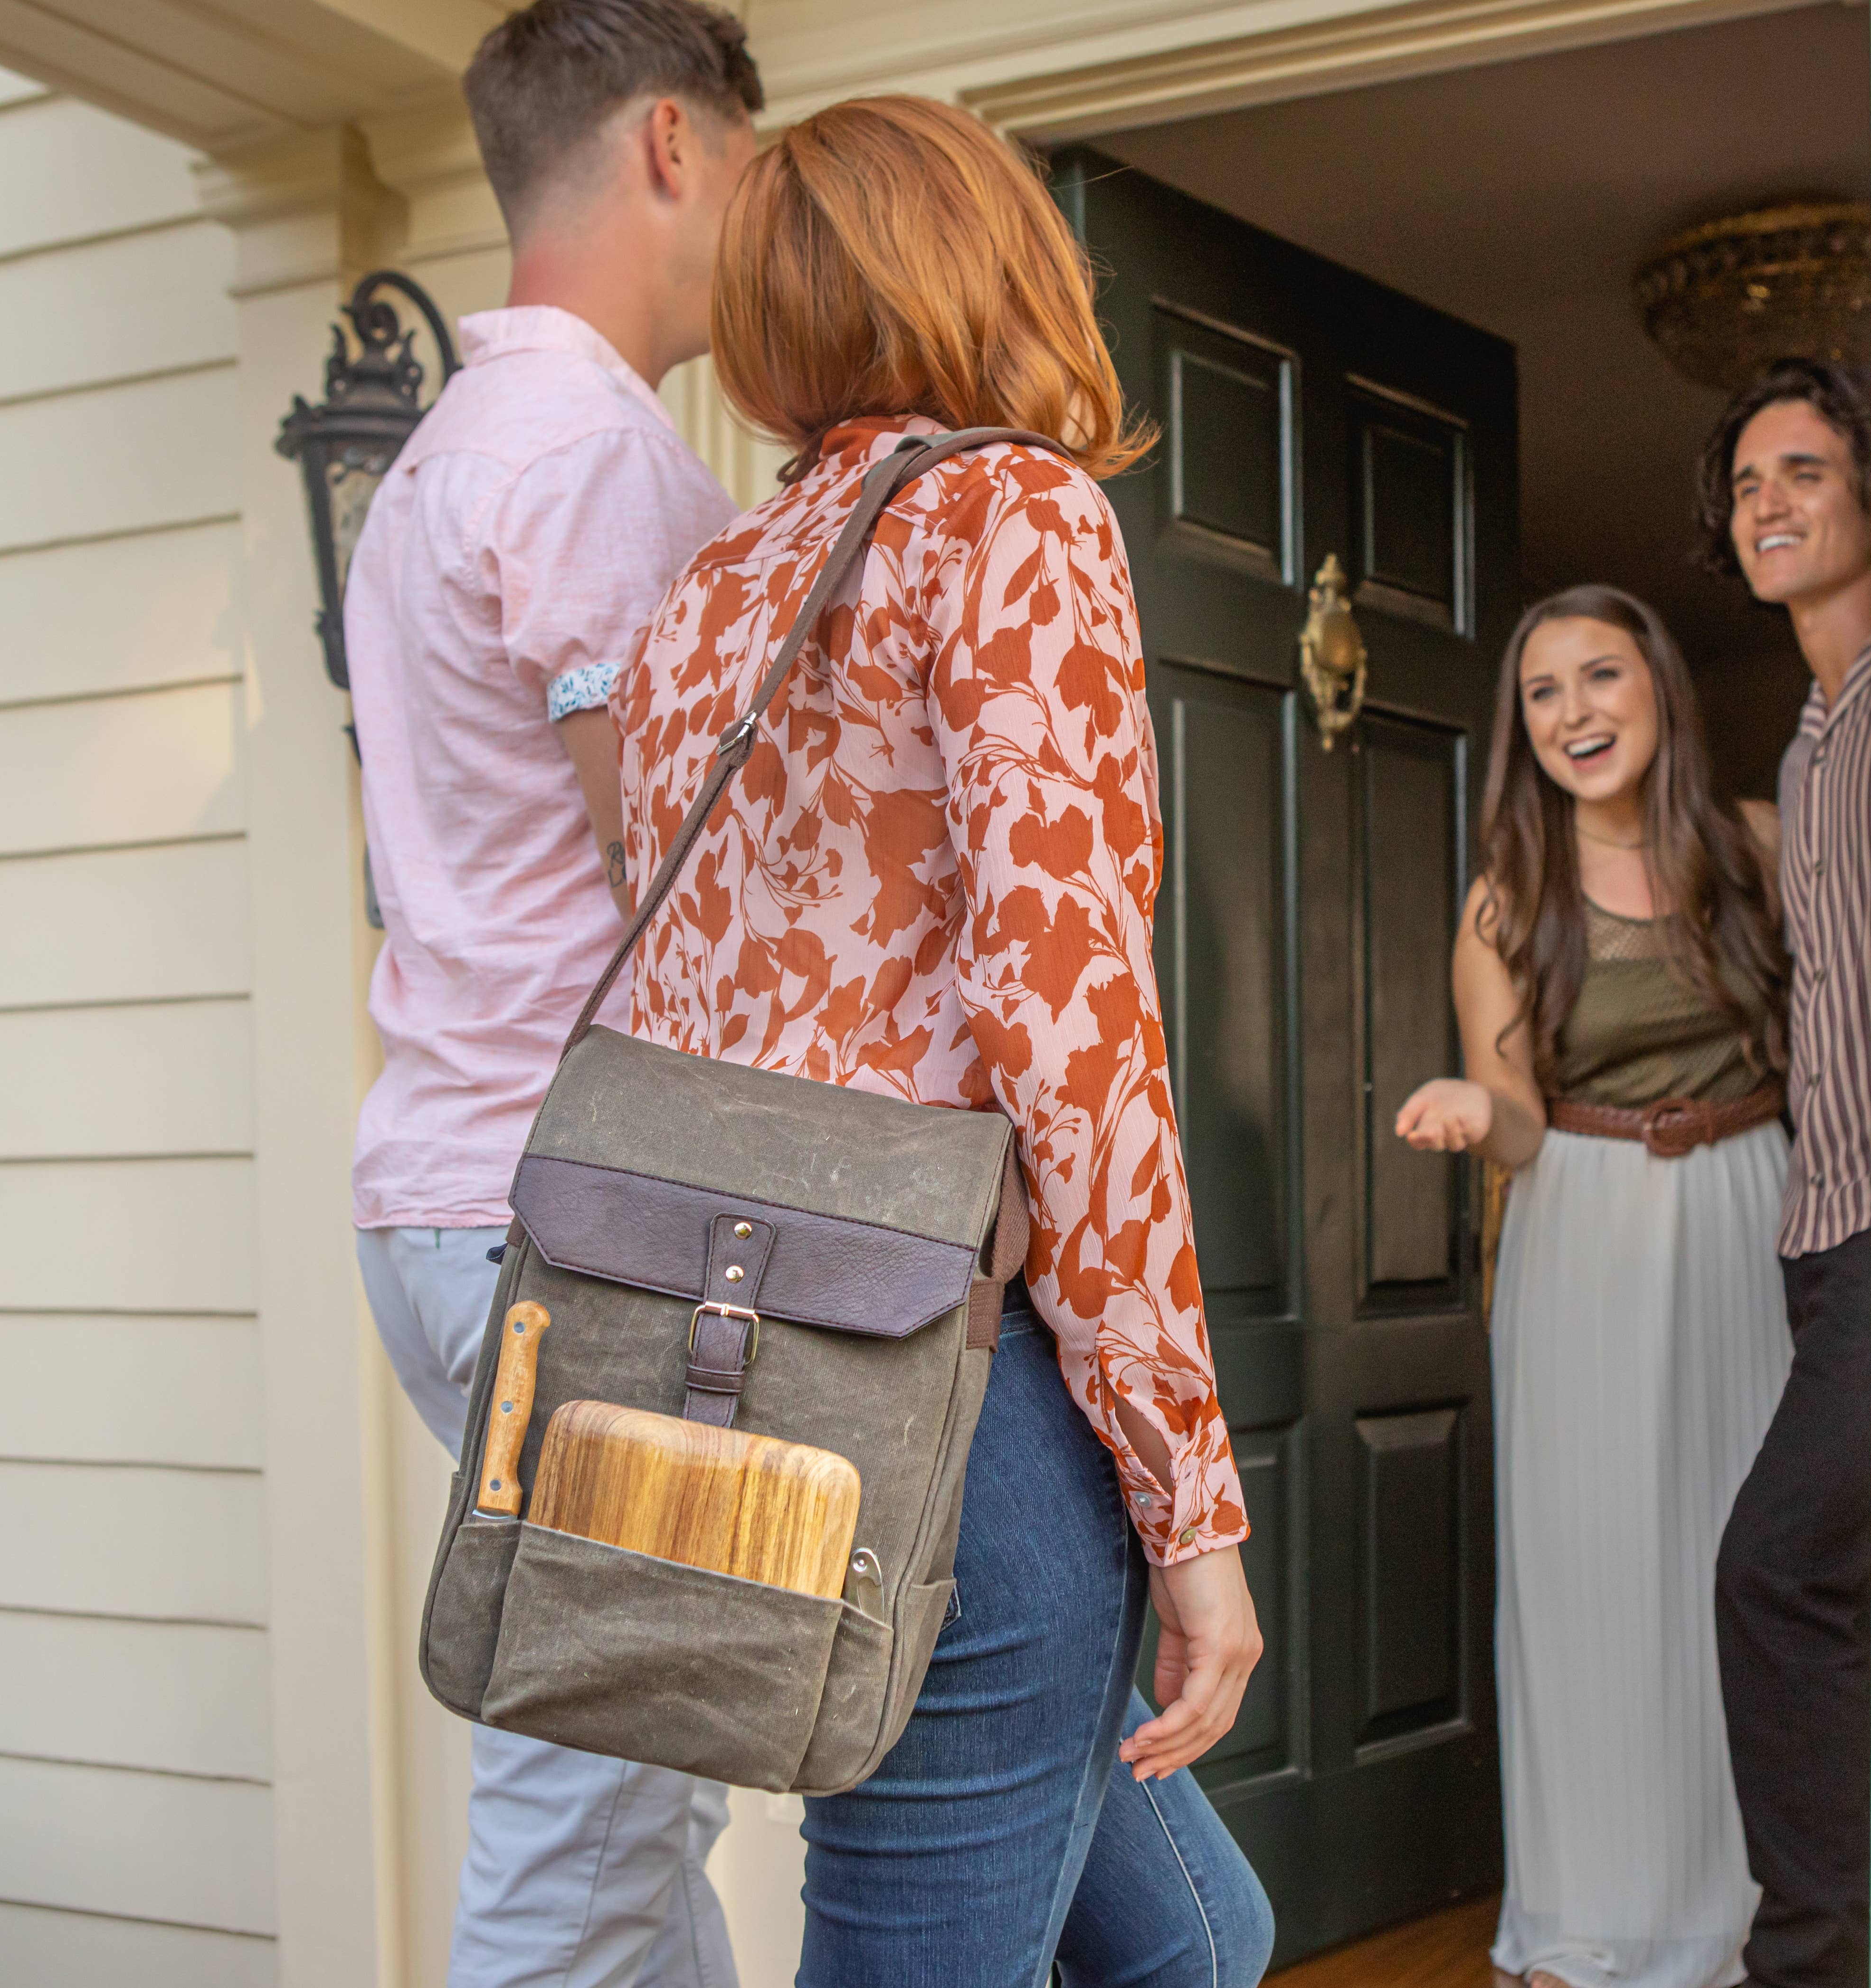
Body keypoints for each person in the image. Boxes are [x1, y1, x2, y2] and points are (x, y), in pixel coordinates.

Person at [607, 95, 1274, 1985]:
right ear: (995, 258)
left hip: (743, 1383)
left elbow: (682, 1018)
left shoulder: (706, 598)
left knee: (1203, 1938)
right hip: (950, 1418)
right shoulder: (1012, 515)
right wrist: (1190, 1510)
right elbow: (1077, 1047)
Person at [343, 3, 760, 1981]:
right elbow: (683, 887)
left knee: (634, 1810)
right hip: (574, 1223)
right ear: (675, 145)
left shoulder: (435, 463)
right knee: (585, 1852)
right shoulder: (597, 457)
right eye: (757, 173)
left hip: (451, 1197)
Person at [1395, 586, 1794, 1988]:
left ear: (1661, 686)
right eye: (1543, 693)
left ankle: (1751, 1910)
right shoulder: (1509, 900)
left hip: (1755, 1215)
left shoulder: (1759, 844)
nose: (1573, 714)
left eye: (1600, 676)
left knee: (1743, 1572)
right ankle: (1591, 1920)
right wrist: (1470, 1102)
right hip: (1584, 1226)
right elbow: (1516, 1115)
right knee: (1594, 1582)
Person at [1697, 358, 1871, 1988]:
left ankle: (1812, 1960)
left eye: (1803, 471)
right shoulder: (1818, 735)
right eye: (1749, 484)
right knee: (1848, 1585)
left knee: (1774, 1570)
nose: (1767, 504)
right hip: (1826, 1224)